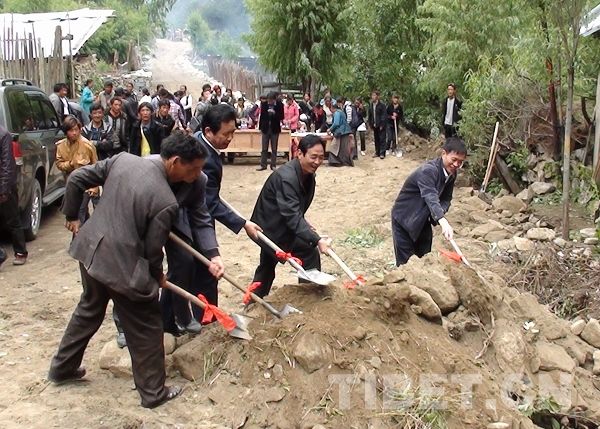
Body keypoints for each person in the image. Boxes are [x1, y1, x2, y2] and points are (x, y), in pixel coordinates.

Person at [47, 132, 211, 408]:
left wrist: (73, 215)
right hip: (121, 266)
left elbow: (76, 178)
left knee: (88, 309)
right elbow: (151, 251)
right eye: (193, 169)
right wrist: (158, 277)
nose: (196, 175)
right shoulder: (165, 201)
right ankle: (153, 393)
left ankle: (61, 368)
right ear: (175, 161)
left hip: (91, 251)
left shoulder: (123, 160)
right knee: (146, 324)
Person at [162, 104, 262, 331]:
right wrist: (242, 223)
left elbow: (211, 196)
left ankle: (170, 321)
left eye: (233, 133)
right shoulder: (204, 159)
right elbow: (209, 204)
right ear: (208, 131)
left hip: (193, 213)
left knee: (184, 270)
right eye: (225, 134)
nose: (230, 139)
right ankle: (206, 320)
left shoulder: (200, 142)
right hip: (187, 218)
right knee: (201, 270)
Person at [250, 135, 332, 298]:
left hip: (284, 224)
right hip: (270, 228)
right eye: (313, 157)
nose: (317, 162)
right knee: (271, 264)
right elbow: (292, 215)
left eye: (321, 157)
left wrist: (305, 224)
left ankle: (307, 294)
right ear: (299, 154)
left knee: (268, 267)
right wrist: (316, 239)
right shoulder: (286, 177)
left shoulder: (307, 175)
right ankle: (254, 302)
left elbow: (294, 208)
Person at [391, 137, 467, 266]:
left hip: (423, 219)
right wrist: (442, 220)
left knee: (425, 259)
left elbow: (446, 199)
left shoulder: (452, 174)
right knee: (406, 264)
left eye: (460, 162)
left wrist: (438, 213)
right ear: (444, 154)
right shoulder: (428, 171)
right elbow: (430, 196)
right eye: (454, 160)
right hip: (404, 217)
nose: (456, 165)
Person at [55, 116, 99, 224]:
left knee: (80, 212)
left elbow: (96, 166)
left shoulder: (87, 145)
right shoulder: (61, 146)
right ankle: (86, 236)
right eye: (71, 130)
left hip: (85, 185)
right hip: (71, 184)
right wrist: (70, 164)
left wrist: (95, 187)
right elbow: (59, 164)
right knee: (81, 213)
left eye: (76, 130)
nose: (74, 133)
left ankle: (77, 240)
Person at [0, 126, 27, 266]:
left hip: (5, 185)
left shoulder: (3, 135)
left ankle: (21, 251)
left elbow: (7, 164)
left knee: (13, 220)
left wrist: (4, 189)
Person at [257, 91, 284, 171]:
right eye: (268, 100)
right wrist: (260, 128)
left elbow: (282, 116)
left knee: (274, 148)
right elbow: (262, 116)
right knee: (264, 148)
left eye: (271, 100)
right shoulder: (264, 104)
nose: (269, 102)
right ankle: (263, 165)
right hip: (265, 129)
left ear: (274, 99)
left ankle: (273, 165)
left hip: (274, 129)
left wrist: (274, 113)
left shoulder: (279, 105)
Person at [327, 100, 354, 167]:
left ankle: (336, 161)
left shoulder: (337, 113)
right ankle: (344, 162)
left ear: (332, 108)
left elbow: (336, 123)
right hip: (344, 132)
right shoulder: (341, 112)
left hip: (341, 132)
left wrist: (330, 129)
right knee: (343, 148)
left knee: (335, 147)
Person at [368, 90, 387, 159]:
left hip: (381, 125)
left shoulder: (382, 105)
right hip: (374, 124)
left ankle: (382, 153)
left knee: (382, 139)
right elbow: (370, 115)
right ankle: (377, 152)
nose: (372, 97)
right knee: (376, 139)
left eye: (374, 95)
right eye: (372, 95)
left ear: (377, 97)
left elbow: (384, 116)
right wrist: (370, 124)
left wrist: (382, 124)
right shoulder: (371, 105)